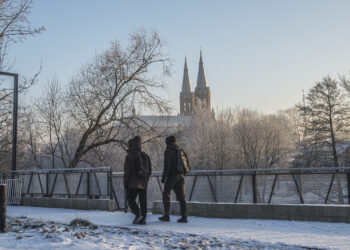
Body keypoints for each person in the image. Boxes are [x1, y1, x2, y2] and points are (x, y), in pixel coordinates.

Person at [159, 135, 188, 223]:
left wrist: (164, 177)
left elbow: (167, 165)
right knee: (181, 197)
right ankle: (184, 217)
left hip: (173, 176)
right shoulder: (179, 150)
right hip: (181, 176)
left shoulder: (168, 151)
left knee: (166, 193)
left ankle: (166, 215)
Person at [124, 136, 152, 225]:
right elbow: (150, 170)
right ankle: (143, 219)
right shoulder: (145, 155)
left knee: (130, 199)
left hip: (133, 182)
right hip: (143, 182)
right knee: (143, 201)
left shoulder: (129, 156)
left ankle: (137, 214)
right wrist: (146, 179)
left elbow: (127, 172)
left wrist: (126, 183)